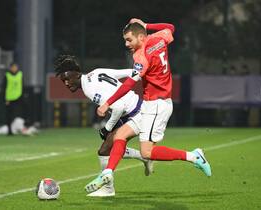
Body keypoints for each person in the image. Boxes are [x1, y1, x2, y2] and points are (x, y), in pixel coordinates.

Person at [85, 19, 212, 194]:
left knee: (147, 153)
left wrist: (107, 103)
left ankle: (194, 156)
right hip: (149, 104)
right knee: (119, 135)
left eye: (129, 40)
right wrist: (146, 25)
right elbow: (170, 28)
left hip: (157, 105)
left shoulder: (140, 56)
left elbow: (129, 84)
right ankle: (107, 173)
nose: (126, 44)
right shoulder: (159, 38)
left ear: (141, 37)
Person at [54, 55, 153, 197]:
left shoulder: (89, 89)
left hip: (135, 114)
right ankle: (144, 158)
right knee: (109, 147)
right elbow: (131, 72)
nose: (66, 83)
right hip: (135, 108)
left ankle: (108, 189)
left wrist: (107, 128)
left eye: (67, 79)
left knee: (105, 150)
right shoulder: (96, 72)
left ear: (76, 75)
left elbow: (118, 107)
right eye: (63, 81)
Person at [2, 63, 24, 136]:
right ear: (10, 68)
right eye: (13, 67)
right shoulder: (7, 75)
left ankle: (20, 128)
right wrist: (5, 99)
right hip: (9, 98)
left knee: (18, 113)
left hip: (19, 97)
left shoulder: (20, 74)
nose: (14, 68)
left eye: (16, 67)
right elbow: (4, 87)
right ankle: (9, 130)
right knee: (9, 115)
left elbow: (22, 85)